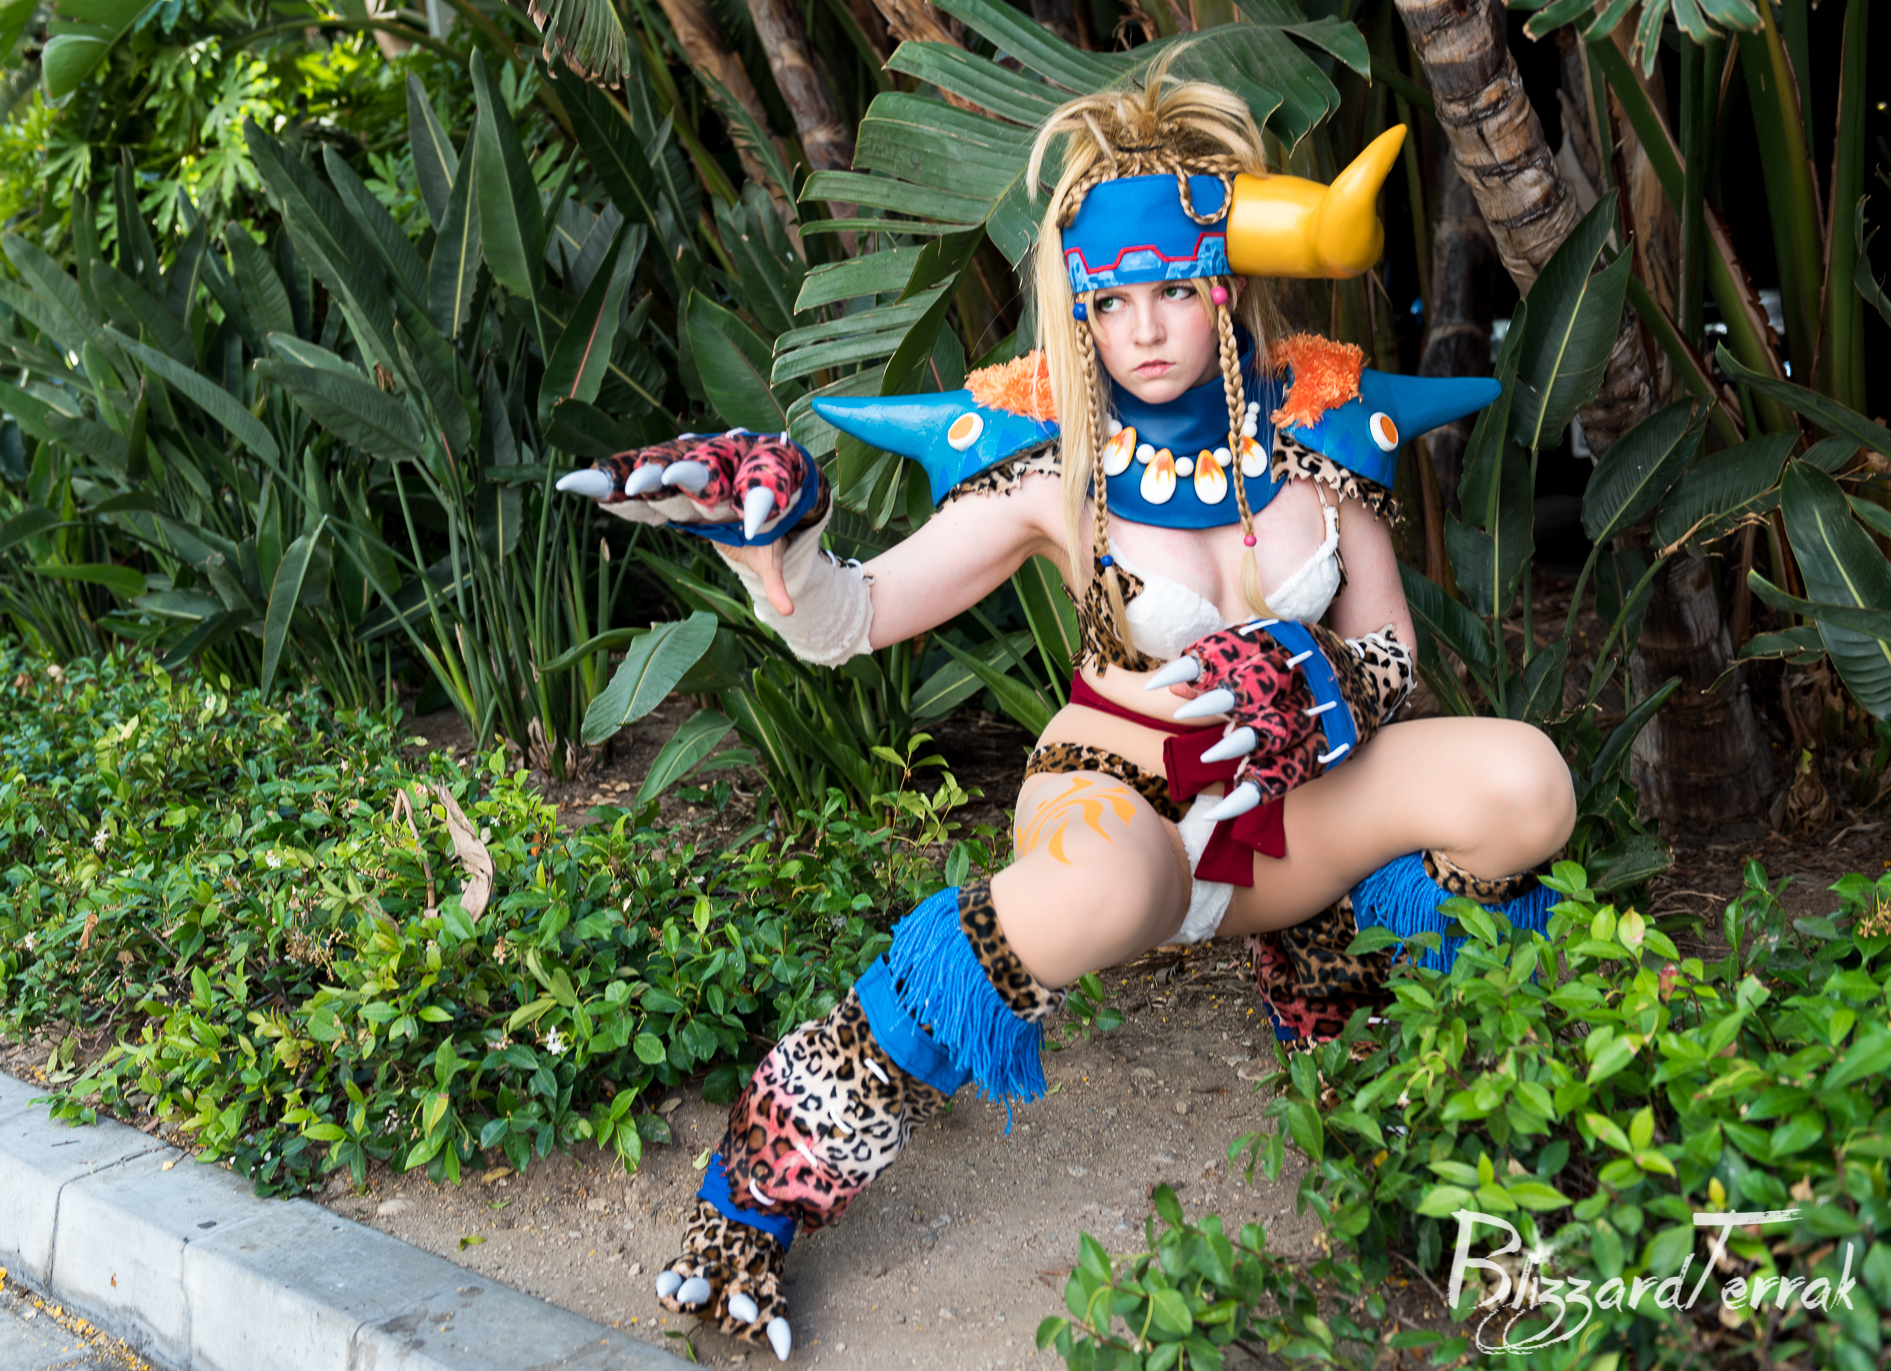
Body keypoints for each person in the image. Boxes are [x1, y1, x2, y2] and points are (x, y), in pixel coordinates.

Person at [558, 63, 1575, 1361]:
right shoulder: (1057, 467)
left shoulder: (1325, 441)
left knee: (1524, 785)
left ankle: (1388, 1054)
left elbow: (1389, 663)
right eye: (1110, 303)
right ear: (1081, 312)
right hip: (1124, 802)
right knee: (1095, 890)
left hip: (1291, 821)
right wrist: (783, 551)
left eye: (1174, 292)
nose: (1143, 331)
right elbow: (855, 616)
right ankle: (760, 1188)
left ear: (1224, 290)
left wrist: (1312, 683)